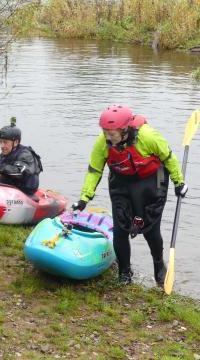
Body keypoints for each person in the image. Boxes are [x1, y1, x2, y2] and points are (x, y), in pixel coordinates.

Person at [72, 104, 188, 286]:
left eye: (112, 134)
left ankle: (158, 266)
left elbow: (168, 158)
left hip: (151, 179)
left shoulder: (148, 136)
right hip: (122, 180)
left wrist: (179, 182)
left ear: (125, 130)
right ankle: (124, 272)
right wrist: (84, 198)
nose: (108, 138)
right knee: (120, 229)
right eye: (105, 132)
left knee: (151, 229)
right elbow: (94, 170)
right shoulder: (102, 143)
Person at [0, 120, 43, 200]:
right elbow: (2, 167)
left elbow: (18, 173)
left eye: (5, 142)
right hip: (11, 189)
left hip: (25, 192)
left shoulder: (26, 155)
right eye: (0, 142)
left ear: (16, 142)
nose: (2, 145)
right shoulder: (4, 154)